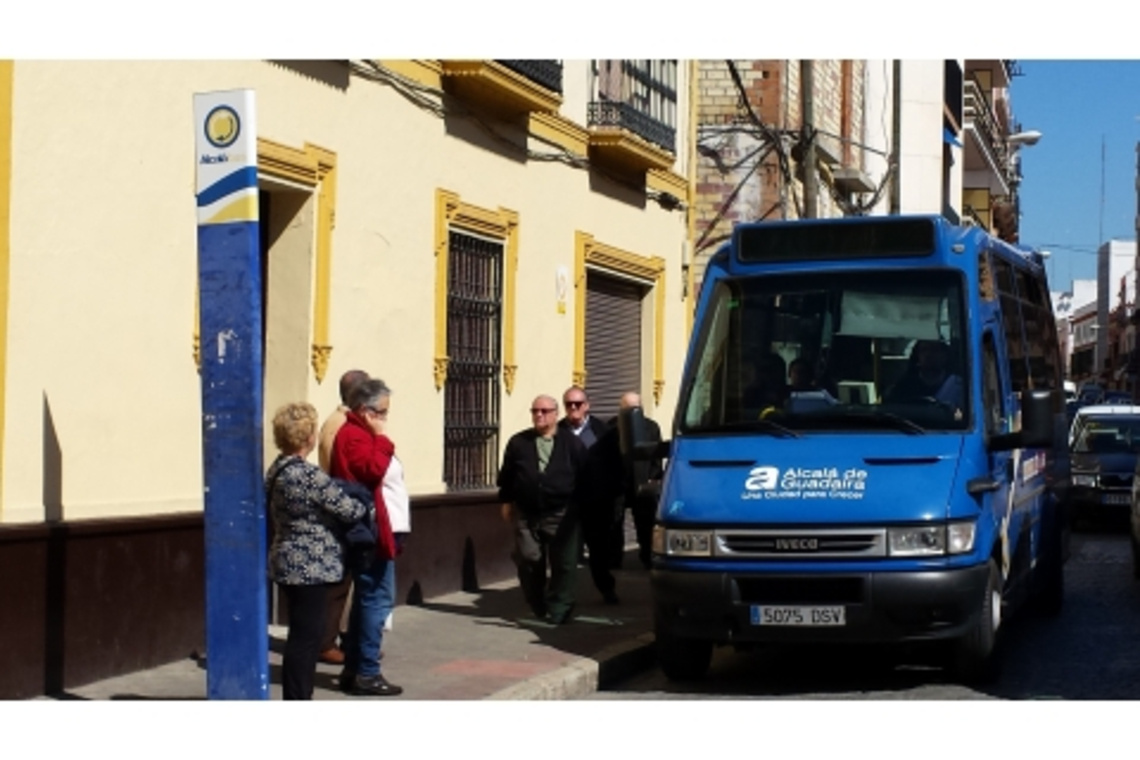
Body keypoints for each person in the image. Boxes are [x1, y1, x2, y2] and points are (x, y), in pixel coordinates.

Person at [265, 402, 369, 701]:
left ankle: (296, 696)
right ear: (308, 437)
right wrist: (363, 504)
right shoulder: (309, 476)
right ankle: (299, 698)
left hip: (285, 558)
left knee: (301, 634)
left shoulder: (277, 470)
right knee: (306, 639)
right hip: (311, 565)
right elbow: (349, 509)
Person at [330, 378, 404, 697]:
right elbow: (371, 470)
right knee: (376, 598)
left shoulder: (357, 433)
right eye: (382, 411)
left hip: (374, 528)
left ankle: (355, 668)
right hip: (368, 532)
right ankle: (367, 672)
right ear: (365, 410)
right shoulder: (356, 436)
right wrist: (384, 441)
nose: (385, 418)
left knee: (367, 598)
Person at [498, 394, 590, 624]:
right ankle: (537, 601)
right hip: (527, 513)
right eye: (535, 411)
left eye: (544, 411)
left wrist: (582, 509)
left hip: (562, 513)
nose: (538, 415)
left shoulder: (572, 444)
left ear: (555, 414)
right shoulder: (519, 442)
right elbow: (507, 476)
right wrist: (506, 502)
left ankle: (560, 607)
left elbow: (586, 477)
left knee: (564, 564)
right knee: (529, 558)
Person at [314, 368, 370, 666]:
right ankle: (327, 641)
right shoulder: (341, 426)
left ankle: (342, 639)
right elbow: (345, 470)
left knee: (345, 583)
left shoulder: (340, 422)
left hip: (345, 508)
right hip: (345, 510)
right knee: (340, 583)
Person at [558, 385, 619, 602]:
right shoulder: (557, 432)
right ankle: (563, 596)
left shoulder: (603, 433)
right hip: (566, 503)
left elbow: (616, 466)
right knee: (564, 552)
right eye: (569, 404)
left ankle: (606, 588)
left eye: (578, 404)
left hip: (596, 503)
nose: (573, 408)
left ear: (587, 406)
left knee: (598, 551)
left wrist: (613, 497)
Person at [596, 392, 664, 570]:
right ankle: (614, 559)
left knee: (645, 522)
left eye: (635, 408)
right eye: (626, 408)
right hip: (617, 482)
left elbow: (656, 456)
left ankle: (647, 557)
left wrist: (654, 476)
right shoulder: (609, 428)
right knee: (614, 523)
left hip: (641, 482)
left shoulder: (650, 427)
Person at [885, 339, 964, 410]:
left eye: (935, 350)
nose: (929, 354)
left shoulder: (958, 386)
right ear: (917, 356)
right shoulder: (902, 388)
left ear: (945, 356)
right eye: (924, 350)